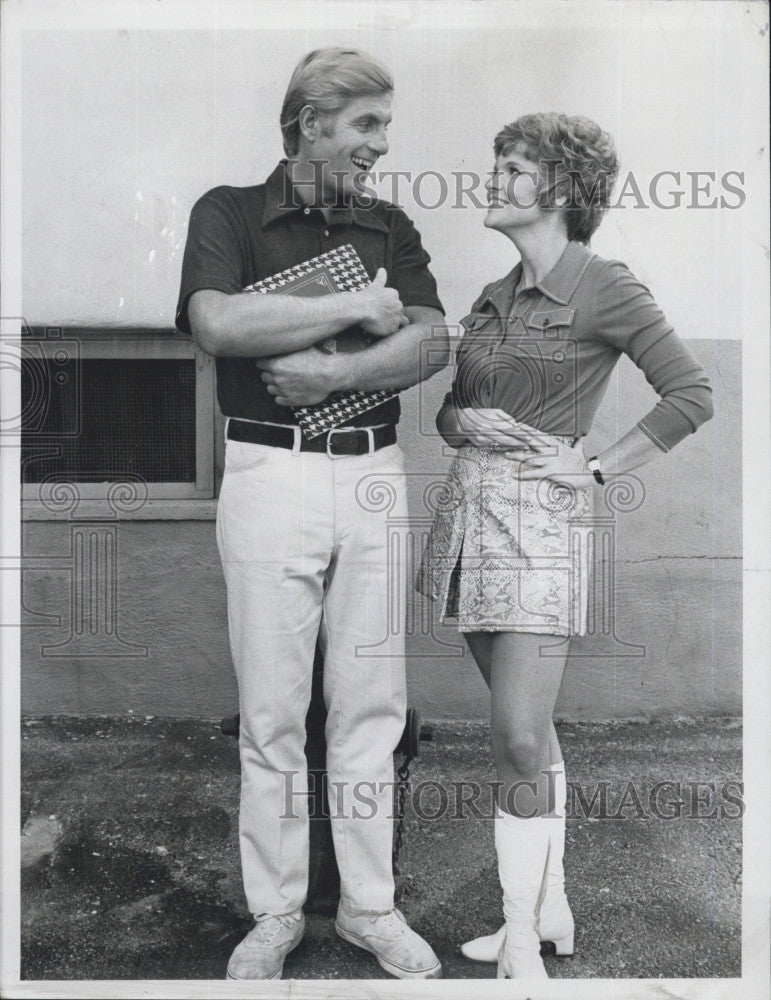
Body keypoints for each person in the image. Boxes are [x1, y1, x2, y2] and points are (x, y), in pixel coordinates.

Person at [417, 113, 713, 979]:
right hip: (469, 521)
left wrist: (592, 469)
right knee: (529, 728)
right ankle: (549, 909)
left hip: (540, 527)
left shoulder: (604, 285)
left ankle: (519, 948)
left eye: (509, 168)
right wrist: (459, 416)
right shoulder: (492, 296)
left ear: (557, 190)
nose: (491, 179)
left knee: (513, 736)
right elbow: (448, 412)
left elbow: (689, 394)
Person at [176, 48, 448, 981]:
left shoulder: (387, 224)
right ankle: (277, 913)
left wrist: (335, 367)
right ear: (307, 123)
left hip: (372, 473)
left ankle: (371, 910)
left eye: (383, 124)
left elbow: (429, 341)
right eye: (366, 124)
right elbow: (216, 325)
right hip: (266, 473)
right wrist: (357, 305)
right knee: (273, 715)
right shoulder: (228, 212)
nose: (382, 144)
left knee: (372, 706)